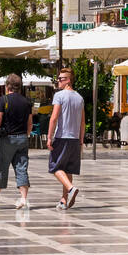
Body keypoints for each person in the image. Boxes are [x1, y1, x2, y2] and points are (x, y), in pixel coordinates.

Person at [0, 72, 32, 209]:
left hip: (6, 139)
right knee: (22, 167)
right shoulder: (26, 102)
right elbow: (30, 123)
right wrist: (25, 136)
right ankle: (23, 199)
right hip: (22, 138)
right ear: (19, 87)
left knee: (1, 168)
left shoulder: (3, 100)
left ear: (7, 86)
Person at [45, 67, 83, 210]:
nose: (58, 81)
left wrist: (49, 137)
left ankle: (71, 188)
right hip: (74, 138)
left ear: (68, 80)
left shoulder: (59, 96)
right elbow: (83, 121)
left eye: (60, 79)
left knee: (55, 166)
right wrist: (81, 139)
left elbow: (54, 118)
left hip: (62, 136)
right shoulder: (79, 97)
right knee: (67, 170)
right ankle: (63, 200)